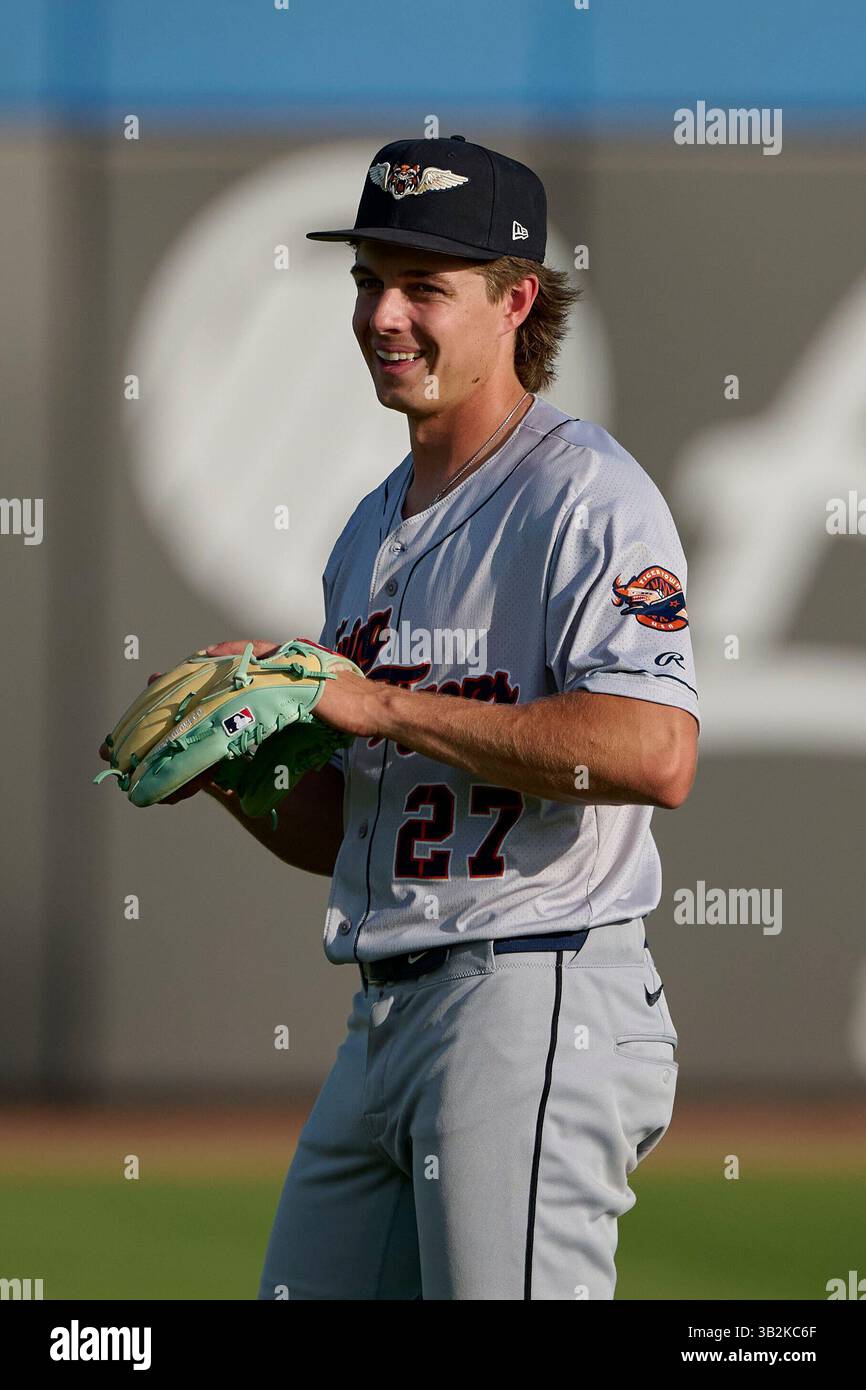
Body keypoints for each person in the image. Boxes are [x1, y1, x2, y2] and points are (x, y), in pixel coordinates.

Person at [195, 136, 699, 1299]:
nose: (382, 314)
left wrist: (371, 700)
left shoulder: (583, 496)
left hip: (532, 987)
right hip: (383, 1009)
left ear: (515, 300)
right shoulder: (366, 532)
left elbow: (654, 752)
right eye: (369, 278)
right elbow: (346, 830)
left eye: (423, 286)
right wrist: (233, 766)